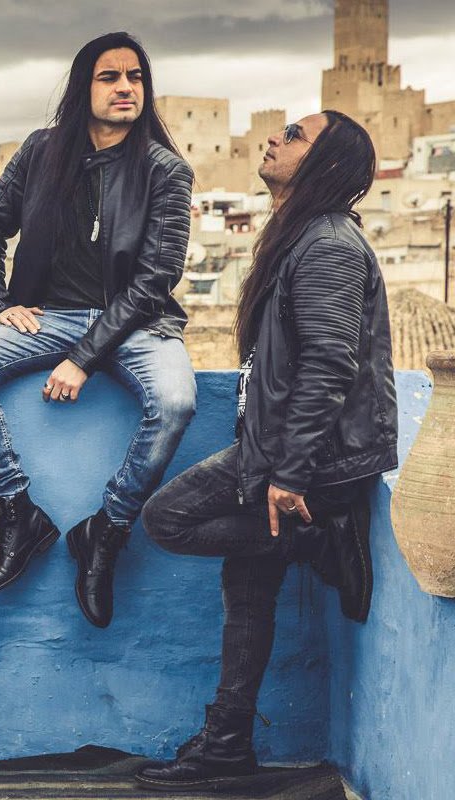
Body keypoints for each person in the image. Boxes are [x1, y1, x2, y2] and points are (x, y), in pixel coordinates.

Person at [135, 111, 397, 792]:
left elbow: (329, 367)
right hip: (275, 448)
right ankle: (228, 744)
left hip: (304, 460)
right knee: (248, 588)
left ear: (326, 164)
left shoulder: (329, 244)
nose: (276, 137)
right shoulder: (298, 236)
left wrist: (291, 473)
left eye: (296, 134)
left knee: (166, 519)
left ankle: (314, 537)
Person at [0, 32, 196, 627]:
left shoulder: (165, 170)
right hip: (47, 316)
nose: (125, 87)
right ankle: (18, 513)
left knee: (175, 401)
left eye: (135, 77)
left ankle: (106, 531)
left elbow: (156, 279)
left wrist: (83, 358)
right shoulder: (41, 152)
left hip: (137, 322)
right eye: (109, 76)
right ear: (82, 88)